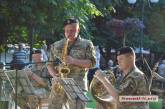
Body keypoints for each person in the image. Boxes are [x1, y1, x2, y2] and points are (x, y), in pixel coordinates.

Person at [47, 18, 96, 109]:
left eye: (72, 30)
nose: (69, 33)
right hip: (59, 82)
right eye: (67, 31)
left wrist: (73, 61)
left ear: (78, 30)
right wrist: (55, 75)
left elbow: (91, 63)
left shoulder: (87, 44)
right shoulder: (56, 45)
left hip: (78, 83)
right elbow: (50, 64)